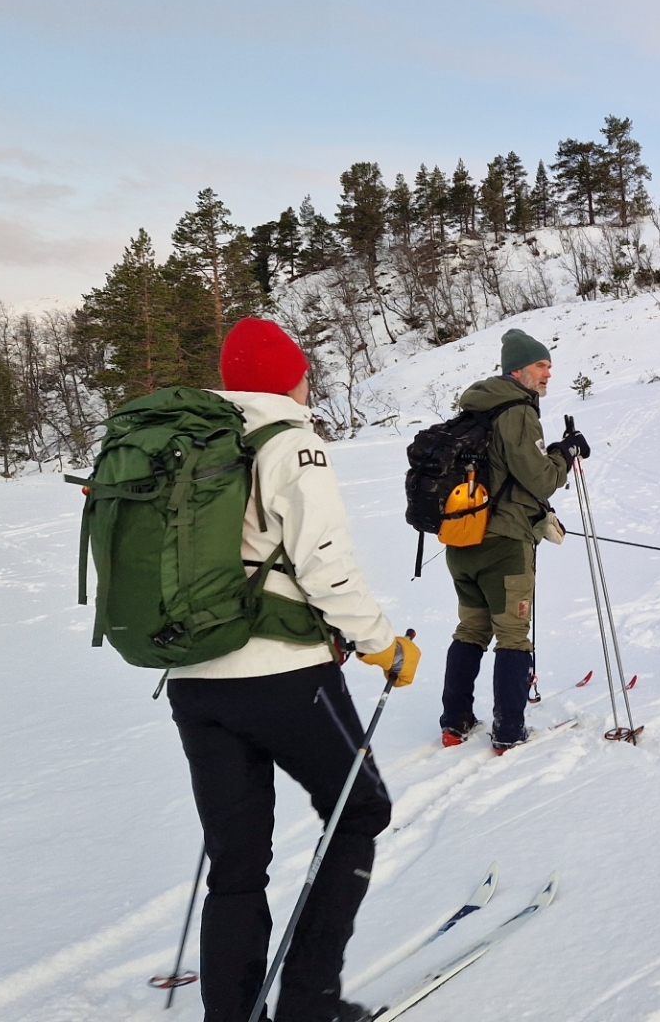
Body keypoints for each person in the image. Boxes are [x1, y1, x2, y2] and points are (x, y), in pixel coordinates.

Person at [167, 317, 420, 1022]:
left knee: (236, 866)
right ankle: (308, 1004)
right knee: (360, 809)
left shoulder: (192, 445)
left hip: (193, 680)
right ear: (289, 376)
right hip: (282, 676)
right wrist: (380, 645)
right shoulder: (291, 443)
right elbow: (326, 568)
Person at [439, 329, 586, 751]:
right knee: (512, 635)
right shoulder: (517, 411)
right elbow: (539, 478)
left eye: (549, 366)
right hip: (504, 545)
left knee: (470, 629)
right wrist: (565, 454)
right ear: (517, 370)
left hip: (462, 540)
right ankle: (508, 732)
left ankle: (455, 721)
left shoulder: (476, 410)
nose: (548, 374)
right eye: (541, 366)